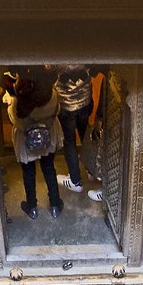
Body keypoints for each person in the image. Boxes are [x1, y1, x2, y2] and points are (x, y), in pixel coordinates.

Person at [5, 75, 63, 220]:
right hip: (48, 137)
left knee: (29, 173)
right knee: (49, 168)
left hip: (26, 142)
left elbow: (14, 120)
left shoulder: (18, 102)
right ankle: (55, 206)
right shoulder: (52, 94)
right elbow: (57, 111)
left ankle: (32, 208)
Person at [53, 64, 96, 193]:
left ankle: (75, 181)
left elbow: (48, 67)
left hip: (66, 104)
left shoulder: (57, 53)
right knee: (85, 135)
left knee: (70, 141)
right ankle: (91, 170)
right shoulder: (84, 49)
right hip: (85, 99)